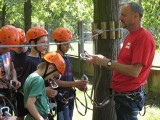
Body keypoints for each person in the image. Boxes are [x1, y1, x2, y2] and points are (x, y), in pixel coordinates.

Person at [86, 2, 156, 120]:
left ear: (136, 16)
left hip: (128, 98)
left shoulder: (143, 38)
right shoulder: (130, 35)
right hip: (122, 97)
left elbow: (134, 71)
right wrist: (100, 61)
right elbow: (122, 65)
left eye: (124, 15)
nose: (120, 18)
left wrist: (107, 62)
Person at [17, 26, 57, 120]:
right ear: (32, 42)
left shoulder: (41, 59)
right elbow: (24, 86)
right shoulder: (29, 61)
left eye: (46, 42)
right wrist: (44, 90)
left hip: (40, 105)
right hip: (32, 108)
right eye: (42, 42)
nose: (45, 45)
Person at [52, 27, 88, 120]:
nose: (68, 46)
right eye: (65, 44)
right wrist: (75, 84)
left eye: (69, 43)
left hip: (69, 97)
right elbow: (56, 82)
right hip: (61, 99)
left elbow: (69, 78)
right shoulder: (54, 59)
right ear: (57, 43)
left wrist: (79, 85)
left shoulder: (67, 58)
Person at [23, 52, 66, 120]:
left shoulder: (32, 76)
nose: (52, 78)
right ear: (50, 68)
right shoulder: (38, 80)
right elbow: (30, 104)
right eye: (54, 75)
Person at [10, 28, 30, 120]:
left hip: (29, 90)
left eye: (20, 46)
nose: (17, 48)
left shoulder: (30, 53)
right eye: (15, 46)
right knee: (19, 115)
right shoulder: (11, 53)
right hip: (17, 91)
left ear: (24, 42)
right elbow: (10, 69)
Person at [0, 25, 21, 114]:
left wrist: (14, 79)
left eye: (10, 47)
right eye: (5, 47)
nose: (8, 49)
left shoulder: (8, 52)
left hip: (7, 91)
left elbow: (12, 69)